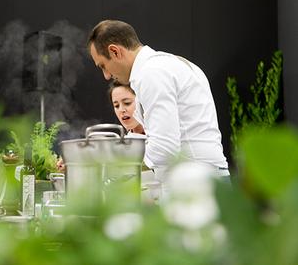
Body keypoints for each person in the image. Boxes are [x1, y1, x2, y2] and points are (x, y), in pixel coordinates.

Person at [87, 20, 230, 186]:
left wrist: (112, 157)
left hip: (194, 184)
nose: (106, 75)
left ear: (115, 51)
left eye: (103, 66)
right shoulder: (171, 64)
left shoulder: (151, 73)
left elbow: (165, 149)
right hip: (205, 177)